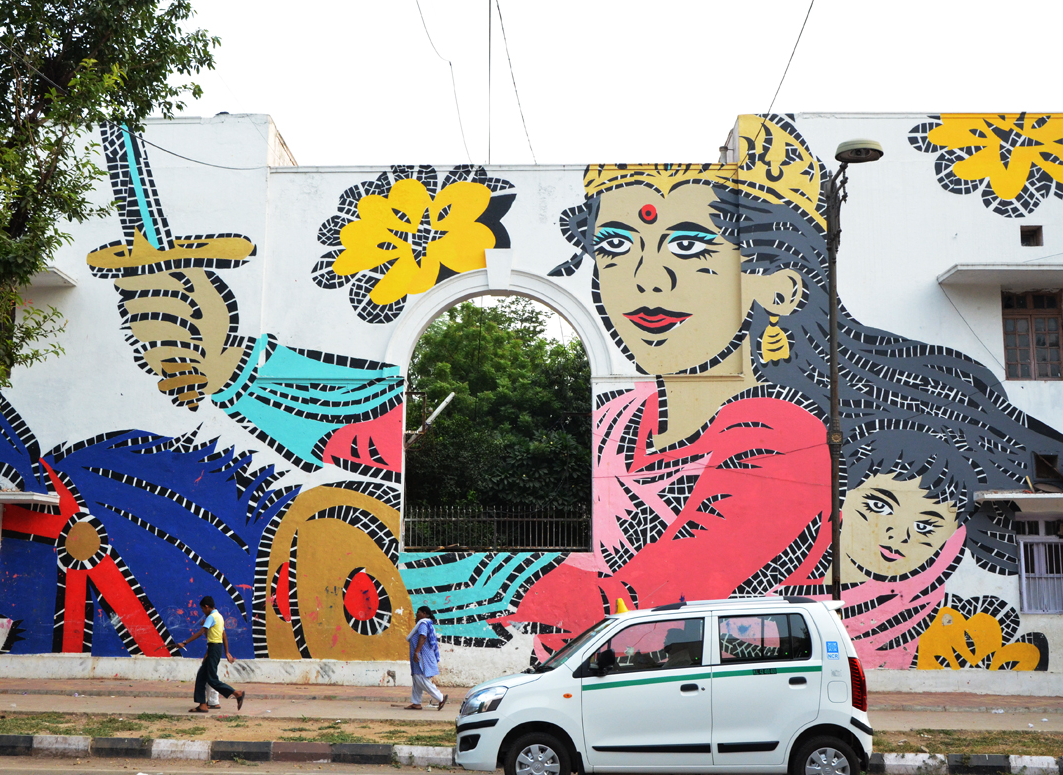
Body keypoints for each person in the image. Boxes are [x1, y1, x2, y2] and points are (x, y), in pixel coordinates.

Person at [499, 113, 1063, 665]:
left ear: (777, 289)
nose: (646, 277)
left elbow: (679, 576)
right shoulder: (614, 424)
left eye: (689, 247)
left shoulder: (781, 435)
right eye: (617, 245)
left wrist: (556, 596)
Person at [172, 596, 246, 713]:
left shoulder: (211, 617)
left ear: (207, 607)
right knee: (201, 676)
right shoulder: (219, 616)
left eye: (202, 609)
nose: (203, 612)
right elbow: (220, 635)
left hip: (214, 648)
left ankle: (236, 693)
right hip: (215, 648)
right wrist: (226, 651)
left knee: (211, 679)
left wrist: (185, 642)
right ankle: (202, 705)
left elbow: (201, 632)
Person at [406, 606, 447, 711]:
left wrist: (416, 652)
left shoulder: (423, 623)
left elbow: (423, 637)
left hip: (421, 656)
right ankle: (416, 703)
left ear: (424, 613)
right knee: (416, 679)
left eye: (418, 613)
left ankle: (440, 698)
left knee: (420, 678)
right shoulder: (425, 623)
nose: (416, 615)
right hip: (421, 655)